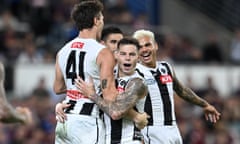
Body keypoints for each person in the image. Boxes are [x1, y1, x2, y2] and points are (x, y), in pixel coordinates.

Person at [53, 1, 147, 144]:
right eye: (102, 19)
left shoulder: (63, 51)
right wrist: (135, 114)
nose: (103, 22)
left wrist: (75, 91)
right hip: (87, 123)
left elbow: (58, 88)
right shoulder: (102, 52)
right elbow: (111, 99)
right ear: (96, 20)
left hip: (64, 120)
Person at [132, 29, 221, 144]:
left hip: (173, 129)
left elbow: (181, 90)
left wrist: (204, 105)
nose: (144, 49)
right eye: (139, 47)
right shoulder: (135, 72)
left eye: (147, 45)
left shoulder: (166, 67)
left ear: (156, 46)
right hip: (152, 129)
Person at [75, 37, 148, 144]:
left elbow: (116, 112)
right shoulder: (108, 79)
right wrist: (60, 106)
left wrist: (92, 95)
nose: (127, 58)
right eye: (123, 54)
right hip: (106, 140)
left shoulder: (137, 83)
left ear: (138, 57)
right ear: (116, 55)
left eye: (132, 54)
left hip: (129, 140)